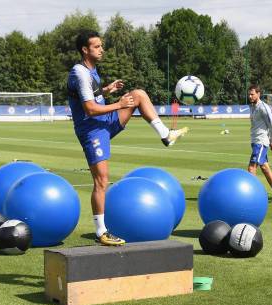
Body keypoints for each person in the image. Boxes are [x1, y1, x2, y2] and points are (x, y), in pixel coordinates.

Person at [67, 30, 188, 246]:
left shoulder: (92, 71)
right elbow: (90, 109)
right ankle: (101, 232)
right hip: (92, 130)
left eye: (101, 46)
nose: (101, 49)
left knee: (139, 95)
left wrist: (107, 90)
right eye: (96, 46)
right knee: (101, 181)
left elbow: (93, 97)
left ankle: (165, 135)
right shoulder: (80, 72)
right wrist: (120, 104)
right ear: (85, 50)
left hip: (105, 122)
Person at [247, 85, 272, 203]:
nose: (250, 96)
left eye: (252, 94)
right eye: (249, 94)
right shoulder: (252, 106)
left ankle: (251, 196)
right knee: (265, 168)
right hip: (255, 142)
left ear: (258, 94)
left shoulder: (263, 107)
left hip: (261, 142)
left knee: (252, 167)